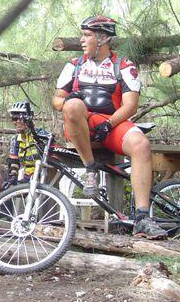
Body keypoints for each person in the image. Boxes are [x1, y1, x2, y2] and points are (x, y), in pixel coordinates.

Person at [52, 15, 166, 239]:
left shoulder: (124, 65)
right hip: (80, 124)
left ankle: (143, 218)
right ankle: (90, 168)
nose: (81, 40)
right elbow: (56, 100)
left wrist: (109, 123)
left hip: (111, 123)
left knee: (141, 144)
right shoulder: (73, 66)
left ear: (102, 38)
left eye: (87, 35)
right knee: (73, 105)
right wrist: (67, 101)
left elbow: (130, 105)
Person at [2, 101, 47, 190]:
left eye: (21, 118)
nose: (18, 121)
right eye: (15, 118)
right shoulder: (15, 140)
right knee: (6, 189)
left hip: (43, 176)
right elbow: (14, 162)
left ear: (29, 118)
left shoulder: (41, 135)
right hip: (26, 177)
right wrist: (13, 177)